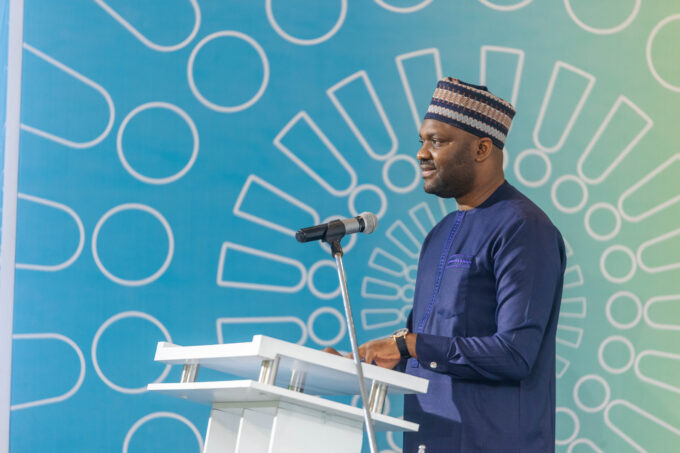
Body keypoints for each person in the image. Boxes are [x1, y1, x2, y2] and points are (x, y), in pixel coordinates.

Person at [333, 77, 566, 452]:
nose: (421, 154)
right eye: (421, 141)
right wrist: (359, 363)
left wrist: (410, 346)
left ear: (482, 148)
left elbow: (514, 354)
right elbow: (429, 349)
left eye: (437, 141)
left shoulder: (523, 227)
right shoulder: (438, 235)